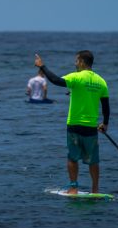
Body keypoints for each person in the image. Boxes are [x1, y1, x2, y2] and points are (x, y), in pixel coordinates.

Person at [35, 51, 109, 194]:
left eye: (76, 61)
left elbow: (56, 80)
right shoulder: (101, 81)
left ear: (81, 62)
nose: (75, 64)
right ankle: (95, 189)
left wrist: (42, 66)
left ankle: (74, 187)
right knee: (93, 160)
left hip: (74, 126)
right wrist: (105, 124)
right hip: (91, 128)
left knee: (72, 157)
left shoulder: (76, 77)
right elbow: (105, 106)